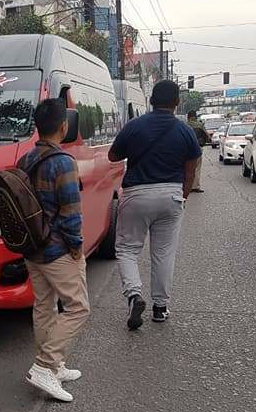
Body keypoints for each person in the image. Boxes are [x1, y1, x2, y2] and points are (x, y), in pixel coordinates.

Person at [108, 80, 201, 330]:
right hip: (171, 194)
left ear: (151, 101)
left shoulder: (134, 126)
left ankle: (134, 295)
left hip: (136, 193)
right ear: (177, 102)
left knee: (127, 249)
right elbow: (191, 166)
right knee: (163, 254)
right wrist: (183, 195)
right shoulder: (184, 130)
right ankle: (160, 308)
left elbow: (113, 156)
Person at [17, 98, 90, 402]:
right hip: (58, 249)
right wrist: (75, 247)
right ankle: (45, 366)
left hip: (32, 247)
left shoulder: (25, 160)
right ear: (64, 127)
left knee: (44, 306)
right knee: (78, 307)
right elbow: (71, 211)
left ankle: (54, 365)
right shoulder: (63, 162)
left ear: (37, 126)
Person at [186, 110, 210, 193]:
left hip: (185, 149)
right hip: (198, 148)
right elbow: (207, 136)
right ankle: (195, 186)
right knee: (197, 167)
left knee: (185, 167)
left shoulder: (184, 125)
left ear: (188, 117)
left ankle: (186, 186)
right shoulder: (200, 125)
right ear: (195, 116)